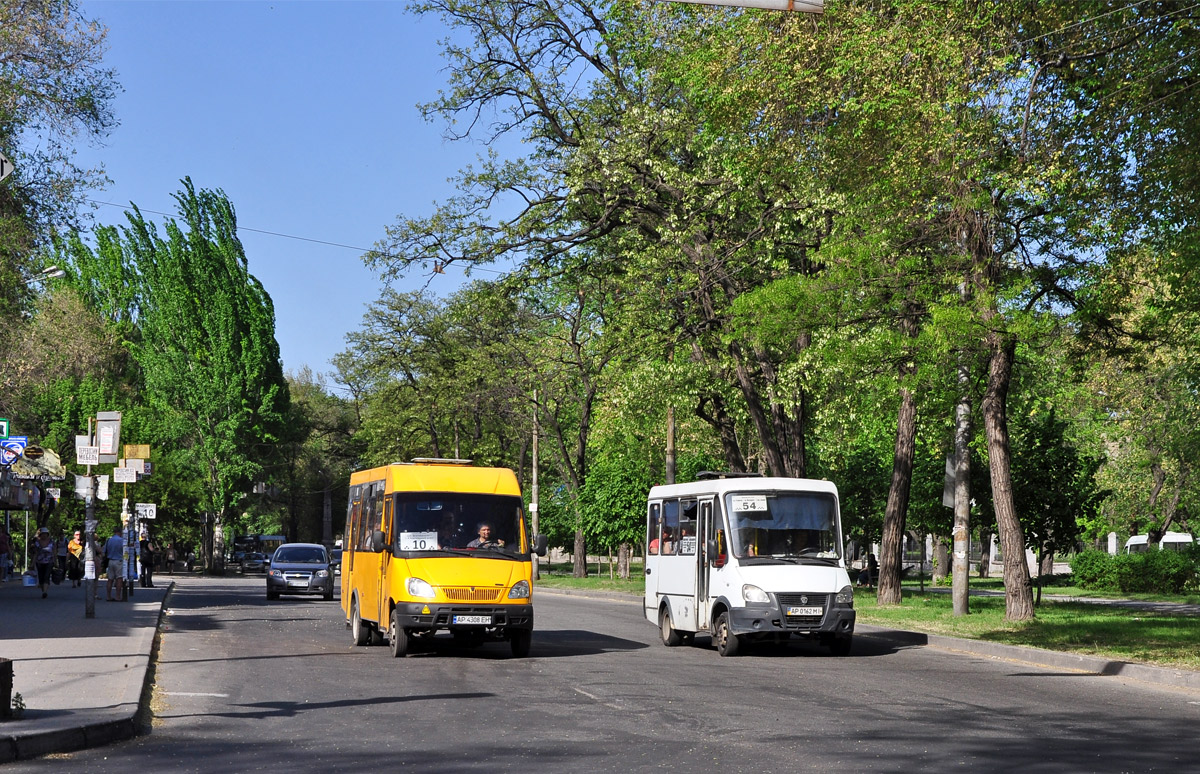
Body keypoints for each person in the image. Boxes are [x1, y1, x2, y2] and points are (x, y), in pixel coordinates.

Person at [104, 526, 126, 601]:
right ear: (120, 533)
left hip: (110, 561)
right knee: (119, 579)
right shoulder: (122, 541)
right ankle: (117, 596)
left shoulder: (109, 540)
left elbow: (104, 551)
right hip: (119, 561)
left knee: (110, 579)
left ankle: (108, 596)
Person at [34, 527, 55, 598]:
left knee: (47, 576)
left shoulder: (52, 542)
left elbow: (54, 551)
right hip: (39, 562)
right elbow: (35, 553)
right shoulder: (37, 542)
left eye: (45, 534)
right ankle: (43, 590)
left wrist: (56, 561)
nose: (44, 535)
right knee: (41, 577)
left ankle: (45, 592)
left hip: (49, 561)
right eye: (43, 534)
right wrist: (32, 563)